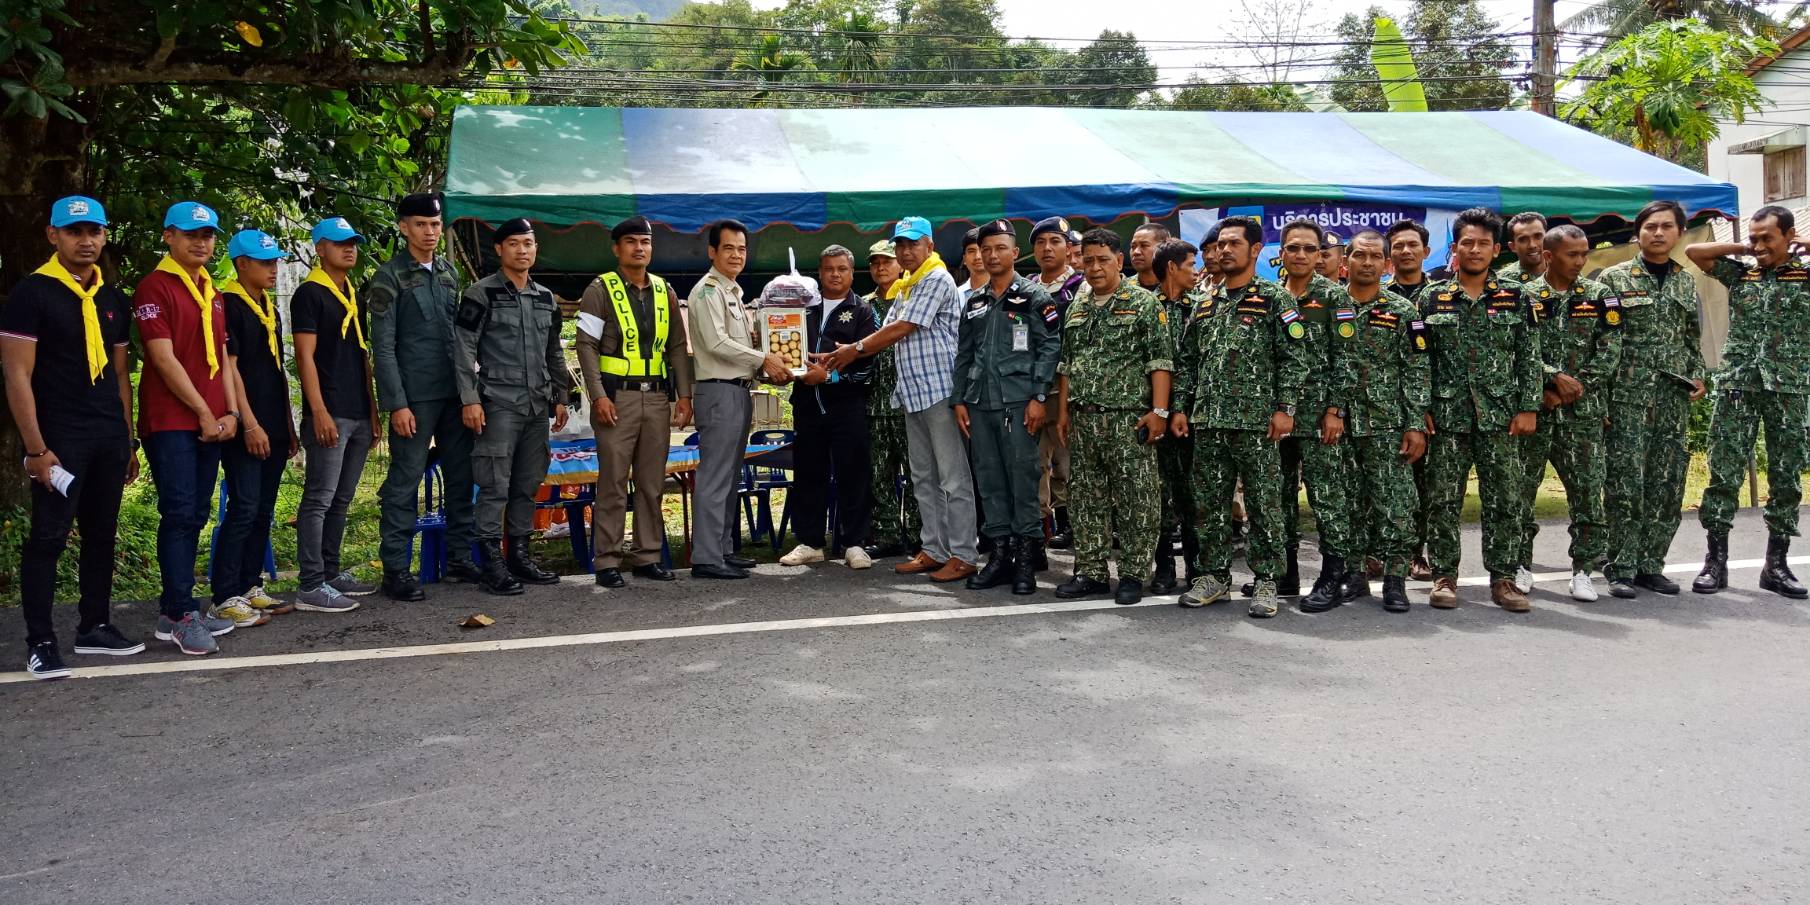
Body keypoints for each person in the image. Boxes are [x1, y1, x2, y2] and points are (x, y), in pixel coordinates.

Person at [2, 196, 143, 678]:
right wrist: (36, 449)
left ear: (104, 235)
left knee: (101, 533)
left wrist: (127, 439)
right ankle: (40, 641)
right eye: (74, 231)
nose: (86, 241)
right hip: (59, 436)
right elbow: (17, 376)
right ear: (53, 235)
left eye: (94, 231)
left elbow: (120, 374)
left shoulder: (112, 297)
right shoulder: (32, 294)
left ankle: (95, 626)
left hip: (107, 432)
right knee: (49, 537)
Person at [820, 216, 977, 584]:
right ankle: (934, 549)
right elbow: (882, 330)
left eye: (912, 244)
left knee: (953, 479)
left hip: (940, 392)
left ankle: (964, 554)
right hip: (911, 394)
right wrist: (834, 355)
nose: (905, 251)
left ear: (929, 246)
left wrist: (853, 350)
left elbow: (901, 328)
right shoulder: (907, 284)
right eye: (900, 245)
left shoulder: (936, 278)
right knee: (923, 478)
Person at [1170, 216, 1309, 618]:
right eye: (1220, 244)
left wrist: (1285, 409)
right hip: (1209, 421)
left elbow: (1294, 359)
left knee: (1264, 504)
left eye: (1234, 243)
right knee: (1209, 504)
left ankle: (1267, 580)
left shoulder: (1274, 299)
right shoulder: (1205, 301)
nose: (1225, 250)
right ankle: (1213, 576)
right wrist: (1180, 407)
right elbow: (1189, 361)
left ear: (1255, 250)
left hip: (1257, 422)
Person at [1419, 208, 1542, 612]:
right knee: (1442, 499)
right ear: (1454, 248)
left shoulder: (1516, 296)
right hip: (1447, 416)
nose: (1474, 249)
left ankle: (1503, 579)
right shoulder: (1432, 297)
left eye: (1483, 243)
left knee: (1505, 499)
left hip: (1500, 416)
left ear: (1496, 250)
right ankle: (1444, 576)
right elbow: (1418, 360)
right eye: (1467, 243)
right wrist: (1421, 407)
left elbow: (1529, 356)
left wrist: (1528, 407)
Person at [1686, 205, 1810, 599]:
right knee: (1724, 473)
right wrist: (1745, 247)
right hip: (1738, 385)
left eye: (1767, 238)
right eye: (1754, 238)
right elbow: (1694, 253)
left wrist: (1803, 245)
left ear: (1789, 235)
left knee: (1786, 477)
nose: (1759, 245)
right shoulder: (1742, 273)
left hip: (1789, 388)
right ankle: (1715, 563)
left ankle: (1776, 565)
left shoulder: (1805, 275)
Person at [137, 201, 242, 655]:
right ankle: (182, 613)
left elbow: (223, 361)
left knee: (197, 513)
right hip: (172, 420)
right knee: (179, 513)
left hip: (212, 420)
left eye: (208, 235)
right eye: (191, 234)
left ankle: (173, 610)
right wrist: (203, 411)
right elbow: (162, 358)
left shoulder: (211, 291)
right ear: (169, 236)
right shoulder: (154, 287)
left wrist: (231, 413)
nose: (201, 243)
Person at [1053, 228, 1175, 605]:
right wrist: (1063, 413)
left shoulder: (1143, 303)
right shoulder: (1078, 306)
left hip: (1128, 418)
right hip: (1084, 418)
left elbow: (1160, 362)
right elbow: (1067, 364)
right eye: (1088, 260)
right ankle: (1091, 572)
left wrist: (1159, 411)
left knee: (1137, 498)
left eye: (1103, 260)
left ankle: (1134, 573)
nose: (1094, 267)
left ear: (1119, 261)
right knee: (1086, 498)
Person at [369, 192, 480, 601]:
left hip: (453, 393)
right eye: (420, 224)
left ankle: (459, 558)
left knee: (461, 476)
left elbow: (460, 337)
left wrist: (469, 391)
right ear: (404, 228)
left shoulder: (449, 272)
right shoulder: (389, 277)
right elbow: (383, 347)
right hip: (415, 398)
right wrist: (396, 404)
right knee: (405, 480)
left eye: (434, 224)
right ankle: (396, 569)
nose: (430, 232)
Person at [454, 218, 575, 592]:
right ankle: (492, 563)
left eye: (528, 243)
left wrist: (561, 396)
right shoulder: (480, 294)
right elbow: (463, 348)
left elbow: (554, 352)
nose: (522, 250)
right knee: (495, 484)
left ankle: (520, 557)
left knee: (527, 482)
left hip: (537, 405)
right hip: (499, 403)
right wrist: (470, 399)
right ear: (499, 250)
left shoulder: (545, 298)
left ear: (536, 249)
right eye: (514, 244)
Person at [576, 216, 695, 588]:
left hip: (657, 398)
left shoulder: (664, 291)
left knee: (651, 482)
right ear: (617, 248)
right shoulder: (599, 290)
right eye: (631, 242)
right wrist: (597, 395)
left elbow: (678, 346)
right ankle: (607, 561)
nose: (639, 248)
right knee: (613, 482)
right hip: (617, 398)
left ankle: (647, 556)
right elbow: (585, 345)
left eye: (645, 242)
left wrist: (685, 395)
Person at [1598, 200, 1705, 598]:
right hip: (1627, 395)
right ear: (1638, 233)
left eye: (1666, 226)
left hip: (1672, 396)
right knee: (1625, 481)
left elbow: (1691, 336)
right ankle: (1621, 566)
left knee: (1667, 481)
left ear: (1679, 233)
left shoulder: (1685, 280)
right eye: (1650, 226)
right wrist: (1602, 397)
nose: (1658, 233)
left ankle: (1650, 565)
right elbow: (1600, 339)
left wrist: (1698, 374)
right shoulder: (1613, 279)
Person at [1512, 224, 1621, 603]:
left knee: (1588, 494)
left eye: (1584, 253)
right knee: (1520, 492)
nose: (1580, 261)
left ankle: (1583, 570)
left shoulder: (1599, 295)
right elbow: (1516, 350)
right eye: (1571, 254)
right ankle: (1520, 565)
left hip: (1583, 414)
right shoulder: (1523, 296)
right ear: (1548, 256)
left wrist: (1573, 387)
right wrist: (1550, 379)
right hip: (1535, 411)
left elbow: (1610, 350)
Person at [952, 220, 1062, 595]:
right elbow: (964, 354)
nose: (992, 255)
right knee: (989, 480)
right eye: (986, 249)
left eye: (1000, 248)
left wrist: (1039, 397)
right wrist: (959, 400)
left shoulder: (1034, 297)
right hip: (980, 404)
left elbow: (1050, 349)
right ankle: (999, 557)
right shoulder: (975, 302)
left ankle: (1026, 561)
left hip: (1019, 402)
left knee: (1022, 480)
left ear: (1014, 253)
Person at [1328, 229, 1428, 612]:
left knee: (1395, 503)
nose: (1366, 263)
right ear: (1345, 262)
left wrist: (1415, 424)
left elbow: (1417, 370)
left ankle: (1395, 579)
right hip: (1339, 425)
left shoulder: (1403, 311)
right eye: (1359, 255)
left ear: (1386, 265)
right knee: (1348, 502)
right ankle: (1355, 575)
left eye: (1374, 257)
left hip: (1387, 423)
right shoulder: (1328, 306)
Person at [686, 218, 791, 580]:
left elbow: (739, 346)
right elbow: (717, 342)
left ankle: (722, 549)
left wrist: (766, 357)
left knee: (730, 476)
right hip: (718, 391)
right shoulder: (707, 291)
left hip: (737, 390)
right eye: (728, 248)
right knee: (715, 475)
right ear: (712, 251)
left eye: (742, 249)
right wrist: (764, 359)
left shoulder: (732, 292)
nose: (736, 255)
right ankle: (706, 557)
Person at [1268, 218, 1359, 612]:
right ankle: (1286, 572)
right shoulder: (1272, 296)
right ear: (1281, 253)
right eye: (1293, 248)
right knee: (1279, 495)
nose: (1301, 255)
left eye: (1309, 248)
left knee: (1326, 496)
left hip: (1320, 416)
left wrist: (1335, 410)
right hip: (1278, 416)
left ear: (1320, 254)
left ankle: (1332, 576)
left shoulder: (1334, 297)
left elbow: (1347, 359)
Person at [292, 216, 378, 613]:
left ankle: (330, 571)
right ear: (320, 248)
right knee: (319, 499)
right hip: (329, 411)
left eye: (353, 243)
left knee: (342, 498)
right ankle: (311, 583)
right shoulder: (310, 294)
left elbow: (362, 356)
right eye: (340, 242)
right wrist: (319, 411)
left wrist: (372, 411)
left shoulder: (351, 293)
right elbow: (305, 357)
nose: (349, 249)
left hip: (357, 410)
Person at [212, 229, 295, 622]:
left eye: (274, 261)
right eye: (264, 262)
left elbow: (275, 372)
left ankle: (249, 584)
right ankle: (225, 593)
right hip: (248, 423)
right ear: (241, 264)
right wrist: (249, 422)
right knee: (243, 506)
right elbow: (232, 370)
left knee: (263, 508)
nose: (273, 269)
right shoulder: (229, 304)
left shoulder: (268, 307)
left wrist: (286, 426)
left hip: (274, 421)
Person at [780, 245, 878, 570]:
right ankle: (810, 542)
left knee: (854, 473)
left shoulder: (863, 311)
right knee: (808, 473)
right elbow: (786, 350)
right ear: (819, 273)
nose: (835, 274)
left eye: (842, 268)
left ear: (852, 272)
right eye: (829, 269)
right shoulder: (802, 308)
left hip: (847, 407)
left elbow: (868, 366)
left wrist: (829, 377)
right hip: (807, 406)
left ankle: (855, 543)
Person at [1149, 238, 1204, 595]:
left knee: (1192, 492)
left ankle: (1197, 567)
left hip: (1191, 415)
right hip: (1154, 414)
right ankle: (1164, 565)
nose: (1196, 272)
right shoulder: (1145, 306)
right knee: (1158, 493)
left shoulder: (1202, 306)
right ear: (1172, 267)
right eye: (1190, 265)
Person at [1384, 218, 1436, 579]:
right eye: (1398, 246)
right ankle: (1378, 551)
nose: (1405, 251)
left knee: (1426, 484)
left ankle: (1418, 552)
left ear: (1426, 251)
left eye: (1412, 245)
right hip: (1385, 404)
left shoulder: (1442, 297)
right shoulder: (1376, 296)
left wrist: (1426, 405)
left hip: (1434, 407)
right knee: (1383, 480)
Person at [863, 240, 919, 557]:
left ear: (899, 265)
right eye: (875, 263)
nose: (881, 267)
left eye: (886, 261)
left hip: (907, 402)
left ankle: (918, 534)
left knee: (915, 473)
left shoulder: (910, 298)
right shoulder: (863, 305)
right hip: (874, 403)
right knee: (879, 474)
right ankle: (887, 536)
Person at [1032, 217, 1084, 550]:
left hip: (1068, 389)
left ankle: (1073, 527)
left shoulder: (1082, 288)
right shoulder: (1026, 288)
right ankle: (1038, 534)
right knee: (1034, 466)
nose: (1047, 248)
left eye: (1055, 241)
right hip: (1032, 390)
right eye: (1040, 242)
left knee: (1069, 464)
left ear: (1068, 248)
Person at [1496, 212, 1549, 283]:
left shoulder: (1562, 271)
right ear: (1513, 246)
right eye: (1523, 240)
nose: (1532, 245)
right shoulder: (1501, 281)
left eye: (1538, 236)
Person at [1128, 222, 1170, 293]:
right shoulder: (1121, 289)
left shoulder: (1181, 287)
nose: (1136, 252)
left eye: (1144, 245)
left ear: (1164, 247)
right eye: (1133, 246)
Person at [959, 227, 986, 293]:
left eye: (982, 250)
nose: (977, 256)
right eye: (971, 251)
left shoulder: (1006, 293)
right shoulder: (956, 295)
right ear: (964, 259)